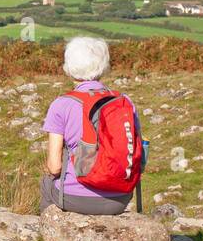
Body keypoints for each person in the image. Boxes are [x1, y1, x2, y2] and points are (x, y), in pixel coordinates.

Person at [40, 36, 140, 215]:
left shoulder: (61, 104)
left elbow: (54, 167)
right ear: (103, 67)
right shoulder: (124, 102)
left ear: (68, 68)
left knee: (46, 183)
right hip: (120, 198)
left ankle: (49, 235)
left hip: (73, 198)